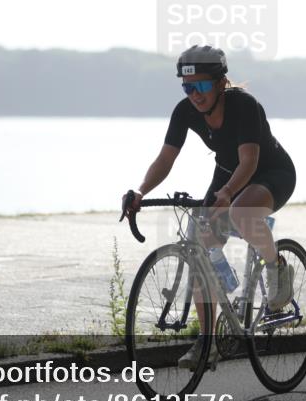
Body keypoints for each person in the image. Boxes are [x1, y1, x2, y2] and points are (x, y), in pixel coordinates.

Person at [124, 45, 297, 370]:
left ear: (219, 83)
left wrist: (228, 193)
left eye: (201, 86)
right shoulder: (185, 111)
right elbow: (165, 159)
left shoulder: (243, 105)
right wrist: (140, 190)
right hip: (229, 176)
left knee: (243, 213)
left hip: (271, 173)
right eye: (187, 87)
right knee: (200, 247)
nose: (194, 95)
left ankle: (276, 267)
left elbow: (250, 159)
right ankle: (208, 344)